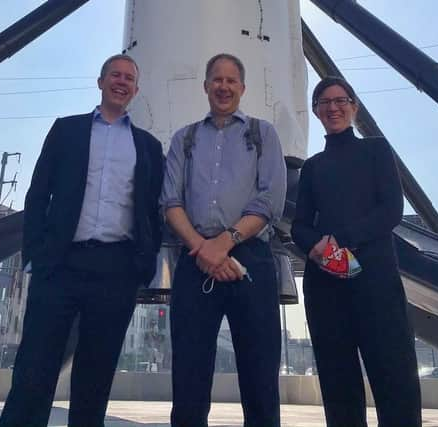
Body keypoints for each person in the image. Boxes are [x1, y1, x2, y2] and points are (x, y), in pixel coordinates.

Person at [0, 54, 164, 427]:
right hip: (60, 265)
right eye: (115, 75)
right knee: (34, 370)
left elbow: (152, 210)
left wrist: (143, 262)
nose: (121, 82)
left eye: (129, 78)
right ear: (101, 81)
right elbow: (38, 194)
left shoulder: (149, 147)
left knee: (96, 374)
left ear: (136, 89)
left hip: (116, 270)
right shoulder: (66, 130)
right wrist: (36, 256)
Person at [161, 53, 287, 427]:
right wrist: (205, 249)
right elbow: (170, 201)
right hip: (195, 258)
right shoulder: (184, 139)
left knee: (260, 373)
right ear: (205, 86)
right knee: (188, 374)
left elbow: (270, 200)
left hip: (250, 259)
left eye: (232, 81)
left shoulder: (263, 134)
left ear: (242, 88)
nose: (224, 87)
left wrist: (224, 243)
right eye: (217, 80)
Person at [291, 76, 421, 427]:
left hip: (376, 280)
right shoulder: (313, 167)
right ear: (316, 111)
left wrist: (340, 239)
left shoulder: (376, 150)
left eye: (340, 100)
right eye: (324, 102)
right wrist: (317, 247)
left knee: (395, 375)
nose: (333, 108)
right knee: (338, 382)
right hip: (326, 286)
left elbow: (390, 210)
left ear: (354, 106)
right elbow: (299, 224)